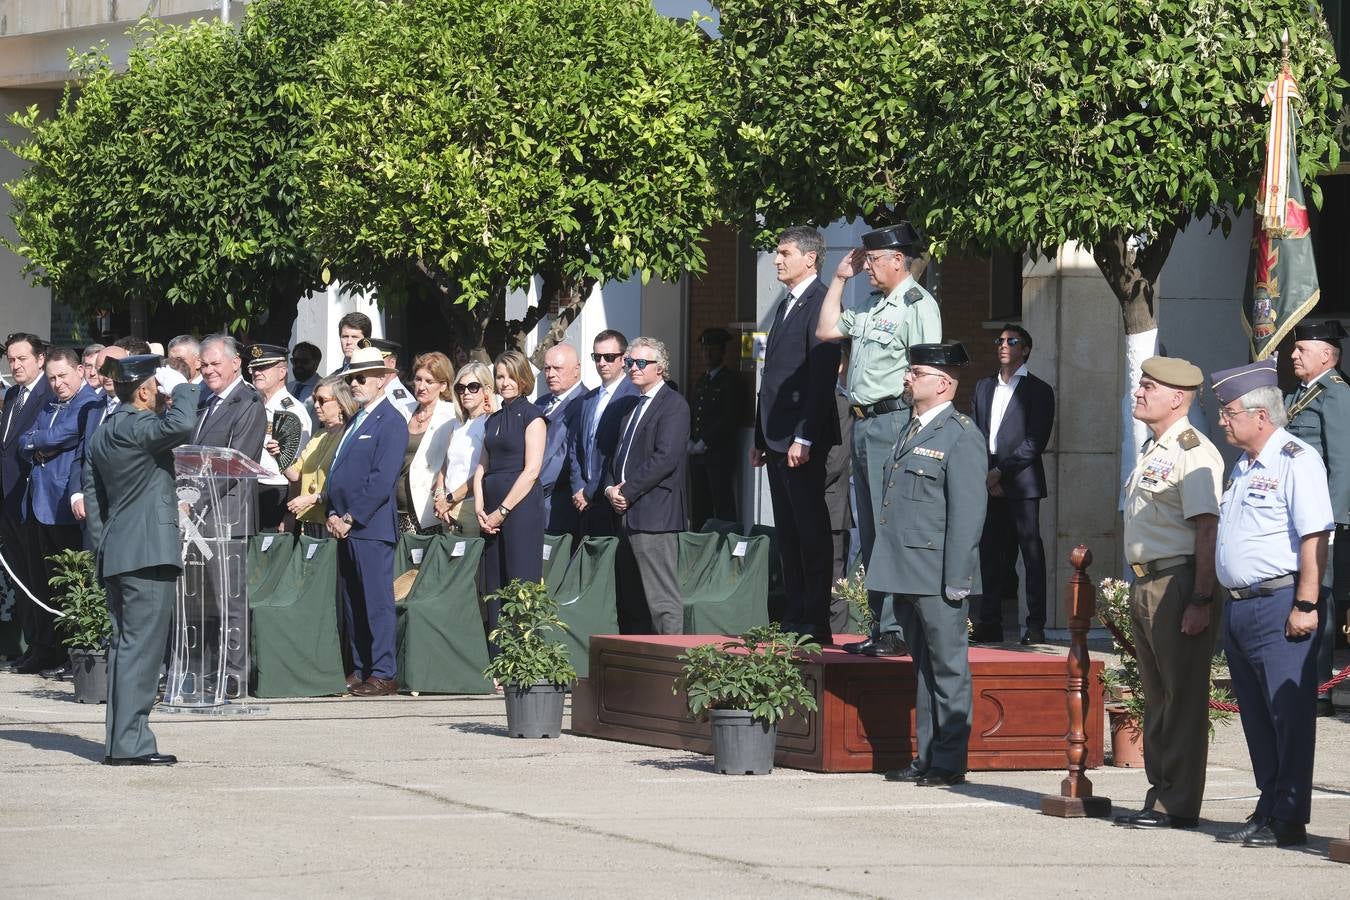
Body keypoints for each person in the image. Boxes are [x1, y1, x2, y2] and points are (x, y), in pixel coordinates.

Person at [1209, 358, 1332, 849]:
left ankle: (1289, 817)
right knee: (1257, 717)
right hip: (1240, 606)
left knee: (1288, 715)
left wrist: (1306, 603)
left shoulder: (1296, 460)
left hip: (1280, 602)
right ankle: (1268, 804)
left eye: (1229, 412)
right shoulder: (1244, 464)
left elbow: (1315, 536)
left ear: (1260, 416)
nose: (1222, 420)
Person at [817, 222, 942, 657]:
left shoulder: (917, 304)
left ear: (897, 260)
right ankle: (880, 625)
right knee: (870, 529)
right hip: (864, 423)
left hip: (894, 420)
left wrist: (918, 427)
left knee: (890, 526)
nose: (866, 267)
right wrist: (838, 279)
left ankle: (896, 628)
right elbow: (826, 330)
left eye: (872, 260)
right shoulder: (872, 304)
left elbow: (927, 369)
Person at [1111, 357, 1225, 831]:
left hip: (1177, 582)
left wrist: (1200, 599)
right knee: (1157, 696)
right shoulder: (1155, 447)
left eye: (1149, 386)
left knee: (1181, 697)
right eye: (1141, 384)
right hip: (1148, 581)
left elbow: (1206, 529)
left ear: (1177, 398)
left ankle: (1176, 804)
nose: (1139, 392)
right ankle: (1159, 792)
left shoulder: (1193, 451)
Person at [866, 342, 985, 787]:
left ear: (943, 383)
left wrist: (958, 579)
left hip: (937, 575)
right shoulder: (910, 427)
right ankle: (927, 756)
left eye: (916, 372)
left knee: (948, 669)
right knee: (923, 669)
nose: (906, 378)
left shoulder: (961, 434)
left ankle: (949, 761)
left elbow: (968, 515)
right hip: (906, 570)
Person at [83, 354, 200, 765]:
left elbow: (95, 502)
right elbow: (181, 425)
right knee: (142, 652)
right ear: (146, 392)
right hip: (147, 554)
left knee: (125, 649)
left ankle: (120, 741)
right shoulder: (138, 425)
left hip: (119, 551)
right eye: (157, 388)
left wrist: (103, 547)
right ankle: (131, 744)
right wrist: (182, 385)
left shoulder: (104, 432)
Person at [753, 226, 843, 644]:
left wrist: (804, 436)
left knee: (810, 528)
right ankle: (794, 612)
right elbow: (772, 376)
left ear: (810, 258)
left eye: (784, 252)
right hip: (776, 438)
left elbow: (821, 378)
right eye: (777, 252)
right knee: (787, 529)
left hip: (801, 439)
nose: (777, 259)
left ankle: (816, 618)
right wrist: (760, 437)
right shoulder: (787, 303)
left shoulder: (821, 301)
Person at [326, 345, 409, 697]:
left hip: (369, 527)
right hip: (345, 526)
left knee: (376, 602)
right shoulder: (357, 419)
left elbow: (381, 480)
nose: (355, 384)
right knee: (353, 603)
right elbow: (338, 472)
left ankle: (383, 672)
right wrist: (332, 512)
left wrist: (350, 516)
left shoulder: (391, 421)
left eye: (361, 378)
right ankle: (360, 668)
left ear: (381, 379)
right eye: (351, 378)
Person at [17, 347, 101, 673]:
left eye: (62, 376)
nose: (57, 384)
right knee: (45, 582)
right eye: (52, 378)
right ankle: (49, 649)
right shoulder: (50, 404)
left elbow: (63, 435)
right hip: (38, 503)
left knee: (72, 582)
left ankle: (73, 654)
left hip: (65, 505)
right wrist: (39, 444)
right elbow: (24, 441)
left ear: (79, 371)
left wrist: (40, 442)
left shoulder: (88, 403)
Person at [969, 324, 1055, 645]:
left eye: (1012, 341)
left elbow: (1035, 442)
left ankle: (1035, 625)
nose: (1003, 345)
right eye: (1000, 340)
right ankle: (989, 623)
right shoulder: (983, 386)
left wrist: (1001, 472)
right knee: (990, 554)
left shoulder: (1039, 390)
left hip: (1021, 483)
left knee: (1030, 554)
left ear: (1025, 349)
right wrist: (987, 472)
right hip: (989, 481)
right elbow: (975, 434)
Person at [1284, 319, 1350, 716]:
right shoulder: (1300, 393)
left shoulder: (1336, 394)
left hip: (1320, 518)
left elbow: (1342, 462)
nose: (1293, 355)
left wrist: (1333, 520)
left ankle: (1319, 687)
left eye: (1302, 349)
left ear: (1327, 355)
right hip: (1296, 513)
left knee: (1318, 596)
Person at [604, 337, 690, 635]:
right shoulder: (633, 406)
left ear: (660, 367)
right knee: (632, 599)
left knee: (662, 600)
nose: (633, 368)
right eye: (630, 362)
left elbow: (665, 458)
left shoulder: (673, 405)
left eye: (642, 362)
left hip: (655, 515)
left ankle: (671, 659)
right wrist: (610, 490)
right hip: (626, 513)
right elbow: (619, 455)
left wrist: (626, 491)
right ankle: (638, 657)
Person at [474, 351, 547, 652]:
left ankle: (524, 657)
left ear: (524, 378)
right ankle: (498, 658)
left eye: (511, 376)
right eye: (500, 376)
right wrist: (480, 507)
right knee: (494, 583)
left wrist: (502, 511)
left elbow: (532, 471)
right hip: (490, 510)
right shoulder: (491, 420)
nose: (505, 382)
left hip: (520, 509)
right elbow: (482, 465)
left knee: (520, 579)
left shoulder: (533, 416)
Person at [0, 332, 53, 673]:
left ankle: (46, 648)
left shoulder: (48, 393)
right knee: (20, 577)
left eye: (22, 359)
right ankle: (32, 645)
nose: (16, 365)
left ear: (40, 359)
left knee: (37, 576)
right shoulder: (13, 394)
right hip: (8, 499)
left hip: (32, 500)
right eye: (11, 360)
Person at [569, 330, 640, 538]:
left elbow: (616, 450)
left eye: (609, 357)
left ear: (624, 359)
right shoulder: (588, 399)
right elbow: (576, 447)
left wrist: (590, 491)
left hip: (613, 497)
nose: (602, 363)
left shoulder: (633, 396)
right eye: (597, 357)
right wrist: (578, 486)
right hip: (583, 500)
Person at [284, 375, 355, 538]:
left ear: (340, 403)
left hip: (333, 522)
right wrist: (280, 455)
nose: (316, 405)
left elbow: (346, 485)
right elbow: (295, 475)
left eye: (322, 400)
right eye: (315, 400)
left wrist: (312, 499)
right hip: (309, 520)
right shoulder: (318, 435)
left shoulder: (349, 436)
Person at [251, 343, 312, 532]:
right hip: (252, 489)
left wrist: (289, 513)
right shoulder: (253, 404)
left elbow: (300, 468)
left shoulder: (291, 411)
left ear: (282, 372)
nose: (257, 372)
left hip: (278, 493)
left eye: (264, 367)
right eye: (254, 368)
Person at [397, 352, 458, 535]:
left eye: (429, 381)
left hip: (427, 509)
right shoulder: (403, 411)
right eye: (418, 379)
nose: (421, 386)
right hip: (396, 507)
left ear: (443, 385)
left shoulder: (452, 415)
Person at [435, 361, 496, 536]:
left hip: (471, 505)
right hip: (447, 509)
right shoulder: (458, 424)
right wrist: (440, 496)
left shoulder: (491, 422)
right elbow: (445, 465)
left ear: (486, 389)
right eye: (461, 388)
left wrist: (450, 499)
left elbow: (483, 471)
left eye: (473, 387)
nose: (466, 392)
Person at [689, 327, 741, 529]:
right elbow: (695, 412)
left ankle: (725, 543)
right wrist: (690, 439)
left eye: (712, 349)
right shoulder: (702, 380)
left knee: (722, 504)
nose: (707, 354)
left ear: (722, 351)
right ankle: (700, 544)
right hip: (698, 454)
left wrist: (705, 441)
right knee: (700, 505)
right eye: (704, 350)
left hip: (718, 454)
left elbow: (729, 417)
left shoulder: (730, 380)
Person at [535, 343, 586, 536]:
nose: (550, 374)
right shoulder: (540, 403)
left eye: (557, 368)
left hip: (558, 507)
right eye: (547, 368)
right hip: (531, 505)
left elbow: (565, 456)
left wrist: (528, 487)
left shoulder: (585, 403)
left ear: (576, 369)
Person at [824, 351, 855, 632]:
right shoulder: (817, 400)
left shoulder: (841, 403)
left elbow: (836, 460)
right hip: (813, 503)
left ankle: (838, 634)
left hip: (830, 504)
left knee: (834, 580)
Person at [360, 337, 417, 419]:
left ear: (392, 363)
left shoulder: (401, 402)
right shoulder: (368, 393)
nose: (368, 366)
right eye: (366, 361)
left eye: (376, 361)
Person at [333, 311, 371, 376]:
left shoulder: (375, 376)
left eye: (354, 337)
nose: (349, 342)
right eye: (345, 337)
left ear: (366, 341)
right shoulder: (332, 378)